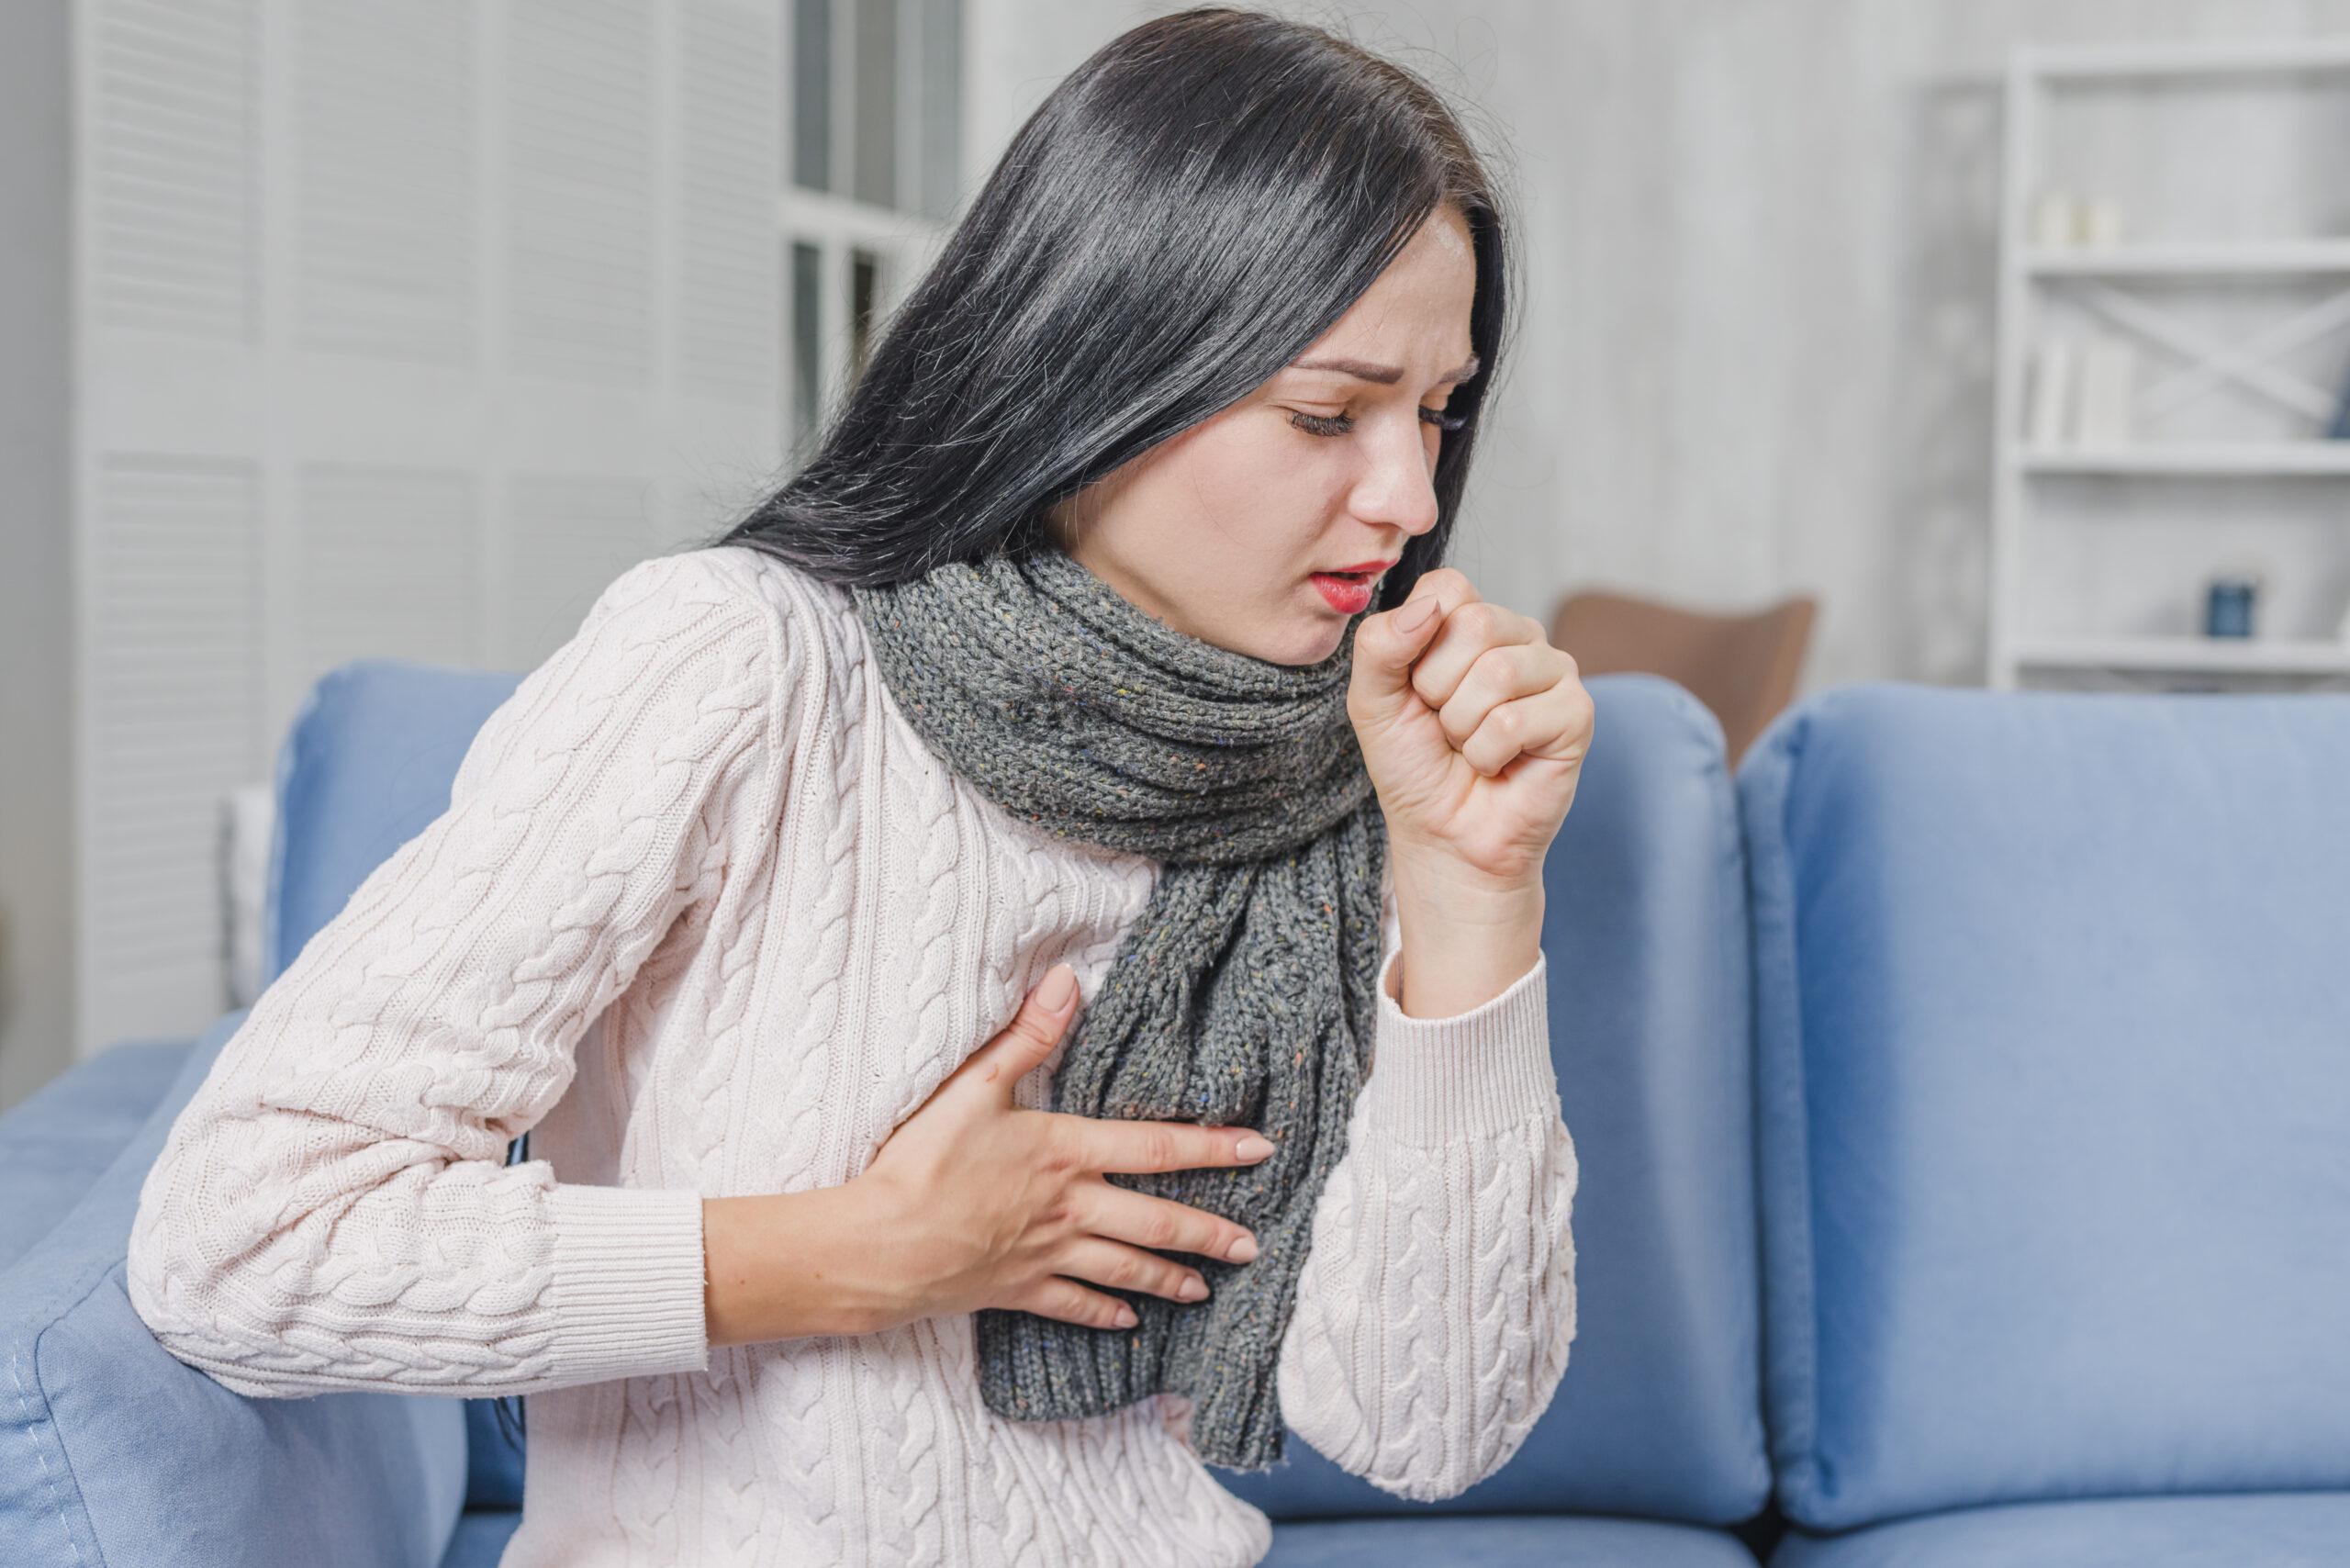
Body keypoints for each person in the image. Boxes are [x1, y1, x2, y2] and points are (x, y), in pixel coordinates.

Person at [126, 8, 1592, 1564]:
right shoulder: (743, 668)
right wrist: (862, 1255)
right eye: (1326, 414)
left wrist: (1474, 894)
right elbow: (243, 1238)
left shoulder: (1340, 770)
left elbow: (1424, 1429)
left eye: (1437, 412)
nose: (1411, 497)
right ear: (1105, 360)